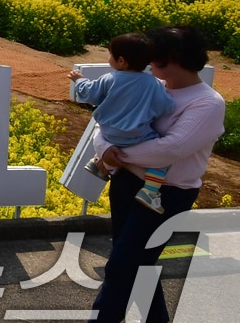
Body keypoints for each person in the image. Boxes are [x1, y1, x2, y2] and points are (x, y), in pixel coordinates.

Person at [55, 25, 226, 323]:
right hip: (127, 182)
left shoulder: (207, 103)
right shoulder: (151, 85)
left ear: (171, 58)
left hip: (168, 193)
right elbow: (105, 125)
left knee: (124, 260)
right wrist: (105, 149)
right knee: (134, 255)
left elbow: (170, 150)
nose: (146, 62)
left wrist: (113, 154)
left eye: (154, 56)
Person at [68, 33, 175, 211]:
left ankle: (101, 163)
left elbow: (91, 94)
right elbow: (167, 107)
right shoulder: (153, 84)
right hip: (137, 136)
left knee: (117, 144)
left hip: (109, 133)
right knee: (162, 160)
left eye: (110, 54)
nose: (108, 58)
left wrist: (79, 80)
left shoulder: (109, 79)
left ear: (121, 61)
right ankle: (150, 190)